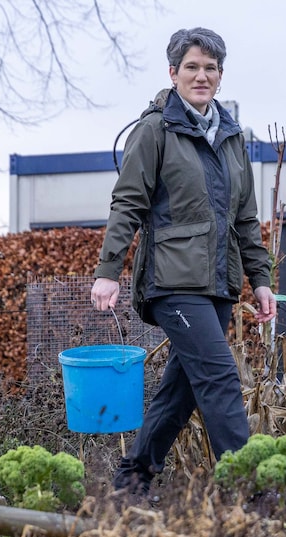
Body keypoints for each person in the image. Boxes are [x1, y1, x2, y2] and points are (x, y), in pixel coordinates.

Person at [90, 27, 276, 496]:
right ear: (173, 73)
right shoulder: (154, 130)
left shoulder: (231, 138)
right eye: (191, 67)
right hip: (171, 283)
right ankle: (250, 494)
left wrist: (261, 279)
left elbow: (246, 218)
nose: (201, 75)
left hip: (217, 283)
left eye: (210, 68)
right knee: (218, 375)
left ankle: (129, 486)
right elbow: (128, 203)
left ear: (220, 75)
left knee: (181, 390)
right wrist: (108, 271)